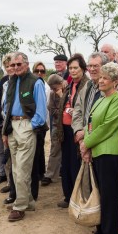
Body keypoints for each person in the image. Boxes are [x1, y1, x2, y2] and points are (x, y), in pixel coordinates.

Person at [80, 62, 118, 234]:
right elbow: (90, 123)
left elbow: (108, 127)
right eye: (100, 77)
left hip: (110, 152)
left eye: (105, 78)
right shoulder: (100, 99)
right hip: (98, 151)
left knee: (109, 196)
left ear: (115, 81)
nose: (100, 81)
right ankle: (99, 232)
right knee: (100, 195)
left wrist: (87, 143)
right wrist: (86, 143)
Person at [2, 52, 47, 222]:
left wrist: (30, 127)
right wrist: (5, 131)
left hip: (26, 126)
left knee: (22, 169)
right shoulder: (11, 81)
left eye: (18, 64)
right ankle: (27, 201)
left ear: (26, 64)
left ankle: (19, 206)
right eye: (12, 65)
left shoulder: (36, 82)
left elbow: (42, 111)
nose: (15, 68)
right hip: (12, 126)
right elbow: (6, 107)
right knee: (16, 168)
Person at [56, 54, 89, 208]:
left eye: (76, 67)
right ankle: (68, 196)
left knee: (77, 165)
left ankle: (77, 198)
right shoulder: (70, 85)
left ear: (83, 68)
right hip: (65, 130)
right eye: (71, 68)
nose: (73, 71)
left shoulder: (87, 85)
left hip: (79, 130)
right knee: (66, 164)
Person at [0, 54, 14, 186]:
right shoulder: (4, 81)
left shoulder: (18, 81)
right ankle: (5, 177)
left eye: (11, 65)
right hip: (1, 121)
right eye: (7, 66)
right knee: (1, 150)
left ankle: (12, 184)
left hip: (11, 123)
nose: (9, 68)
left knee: (10, 153)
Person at [29, 61, 50, 200]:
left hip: (42, 124)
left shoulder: (45, 86)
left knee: (39, 150)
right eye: (37, 71)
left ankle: (40, 173)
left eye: (42, 71)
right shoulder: (32, 84)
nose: (40, 73)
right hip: (31, 123)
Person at [42, 74, 64, 186]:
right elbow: (51, 110)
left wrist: (62, 97)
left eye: (55, 88)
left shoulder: (69, 90)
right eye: (51, 88)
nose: (53, 90)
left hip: (69, 125)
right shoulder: (52, 94)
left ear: (60, 84)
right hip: (57, 124)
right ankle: (50, 174)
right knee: (54, 149)